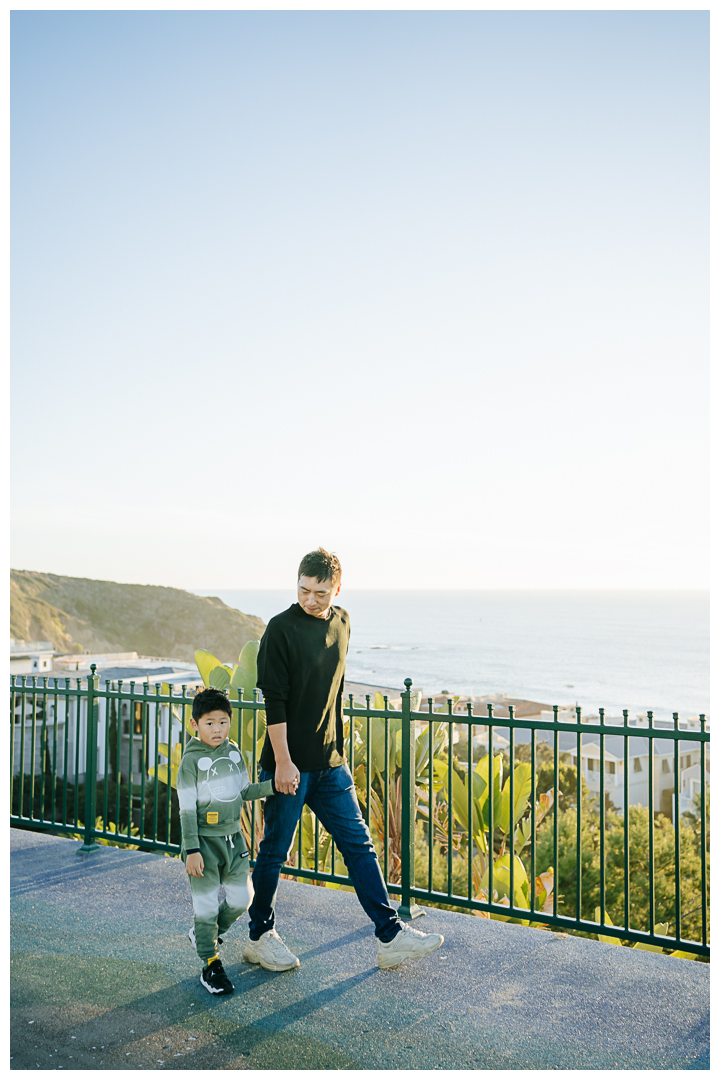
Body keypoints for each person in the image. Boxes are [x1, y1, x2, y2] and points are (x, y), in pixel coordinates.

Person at [244, 547, 444, 972]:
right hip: (290, 767)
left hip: (331, 764)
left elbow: (332, 689)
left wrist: (337, 746)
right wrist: (282, 763)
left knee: (359, 846)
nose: (310, 599)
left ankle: (390, 936)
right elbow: (274, 704)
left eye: (320, 592)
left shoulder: (343, 622)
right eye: (303, 590)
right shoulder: (280, 629)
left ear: (337, 588)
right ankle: (259, 935)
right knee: (274, 852)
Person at [178, 686, 276, 995]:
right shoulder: (190, 762)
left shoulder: (233, 752)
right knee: (206, 906)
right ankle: (210, 963)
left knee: (241, 899)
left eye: (223, 721)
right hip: (203, 843)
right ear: (195, 725)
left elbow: (245, 791)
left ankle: (204, 934)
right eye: (209, 723)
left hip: (234, 839)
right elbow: (186, 809)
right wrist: (192, 849)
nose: (217, 729)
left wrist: (275, 786)